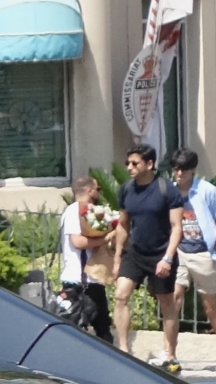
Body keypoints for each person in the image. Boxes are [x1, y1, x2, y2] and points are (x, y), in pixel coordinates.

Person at [111, 143, 186, 370]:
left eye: (135, 163)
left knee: (167, 304)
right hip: (135, 252)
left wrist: (168, 258)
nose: (130, 167)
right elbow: (123, 224)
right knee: (121, 295)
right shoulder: (126, 190)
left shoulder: (166, 190)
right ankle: (124, 349)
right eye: (128, 163)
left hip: (161, 254)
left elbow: (177, 227)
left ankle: (170, 354)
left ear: (150, 164)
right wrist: (117, 257)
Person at [168, 149, 216, 370]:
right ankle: (171, 354)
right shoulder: (170, 191)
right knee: (173, 301)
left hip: (202, 253)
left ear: (192, 170)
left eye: (182, 169)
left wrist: (215, 246)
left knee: (209, 307)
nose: (178, 173)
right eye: (175, 169)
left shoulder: (207, 191)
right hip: (179, 252)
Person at [57, 172, 116, 342]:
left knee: (102, 331)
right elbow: (78, 241)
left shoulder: (87, 212)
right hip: (80, 282)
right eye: (98, 188)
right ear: (90, 190)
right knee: (82, 333)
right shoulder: (75, 211)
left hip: (91, 280)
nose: (99, 191)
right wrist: (104, 238)